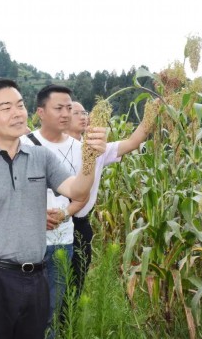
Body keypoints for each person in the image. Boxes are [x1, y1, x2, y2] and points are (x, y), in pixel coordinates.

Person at [0, 78, 107, 339]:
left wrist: (90, 160)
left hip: (36, 279)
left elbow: (77, 191)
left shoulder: (41, 158)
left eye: (20, 105)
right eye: (6, 108)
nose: (17, 113)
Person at [66, 100, 152, 295]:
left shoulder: (99, 150)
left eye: (85, 112)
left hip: (80, 224)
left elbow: (133, 142)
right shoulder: (51, 147)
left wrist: (151, 113)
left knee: (77, 279)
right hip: (55, 223)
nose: (84, 117)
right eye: (77, 113)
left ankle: (65, 322)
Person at [20, 85, 85, 333]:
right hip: (26, 239)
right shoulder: (22, 145)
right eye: (58, 108)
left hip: (62, 241)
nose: (66, 113)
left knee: (52, 310)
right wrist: (35, 216)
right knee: (24, 308)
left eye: (69, 108)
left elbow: (83, 195)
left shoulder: (80, 150)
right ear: (41, 112)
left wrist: (64, 214)